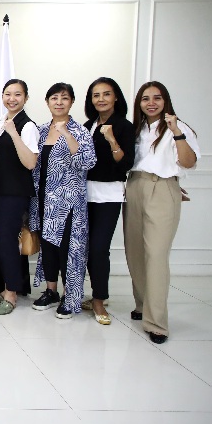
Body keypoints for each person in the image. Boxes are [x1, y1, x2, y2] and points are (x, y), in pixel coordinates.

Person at [124, 81, 199, 344]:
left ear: (166, 100)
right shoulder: (137, 129)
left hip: (162, 187)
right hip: (134, 185)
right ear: (139, 103)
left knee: (156, 255)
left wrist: (177, 131)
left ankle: (157, 323)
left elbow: (188, 162)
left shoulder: (177, 128)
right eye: (145, 99)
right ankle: (142, 304)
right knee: (134, 252)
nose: (151, 103)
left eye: (157, 98)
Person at [30, 83, 96, 319]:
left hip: (68, 202)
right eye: (54, 98)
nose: (59, 102)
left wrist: (66, 134)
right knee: (48, 247)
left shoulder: (80, 131)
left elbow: (86, 162)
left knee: (69, 249)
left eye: (64, 98)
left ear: (71, 102)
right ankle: (51, 291)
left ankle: (71, 295)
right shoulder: (39, 130)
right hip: (43, 199)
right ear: (47, 102)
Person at [0, 79, 40, 315]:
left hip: (13, 193)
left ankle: (12, 293)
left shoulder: (27, 126)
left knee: (7, 242)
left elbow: (31, 162)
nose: (12, 99)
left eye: (17, 94)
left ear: (25, 98)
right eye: (7, 94)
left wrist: (14, 133)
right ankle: (5, 288)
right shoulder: (0, 122)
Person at [81, 77, 136, 325]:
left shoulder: (124, 126)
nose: (101, 99)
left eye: (106, 94)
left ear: (116, 97)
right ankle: (87, 295)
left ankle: (100, 299)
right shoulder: (88, 125)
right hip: (84, 193)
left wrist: (112, 139)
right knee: (84, 248)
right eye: (96, 95)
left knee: (99, 248)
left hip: (109, 194)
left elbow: (125, 164)